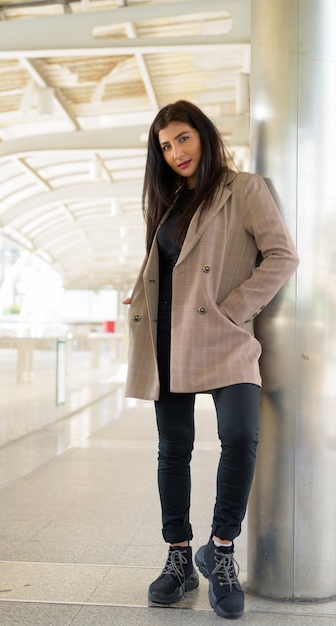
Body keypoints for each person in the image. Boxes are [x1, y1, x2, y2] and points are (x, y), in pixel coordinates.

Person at [122, 100, 299, 619]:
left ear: (203, 135)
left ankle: (220, 552)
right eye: (165, 146)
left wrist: (234, 309)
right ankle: (179, 556)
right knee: (173, 448)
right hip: (167, 335)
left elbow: (282, 255)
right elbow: (166, 265)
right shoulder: (169, 201)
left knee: (241, 436)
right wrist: (144, 292)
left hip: (224, 336)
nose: (175, 152)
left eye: (182, 138)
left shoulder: (244, 189)